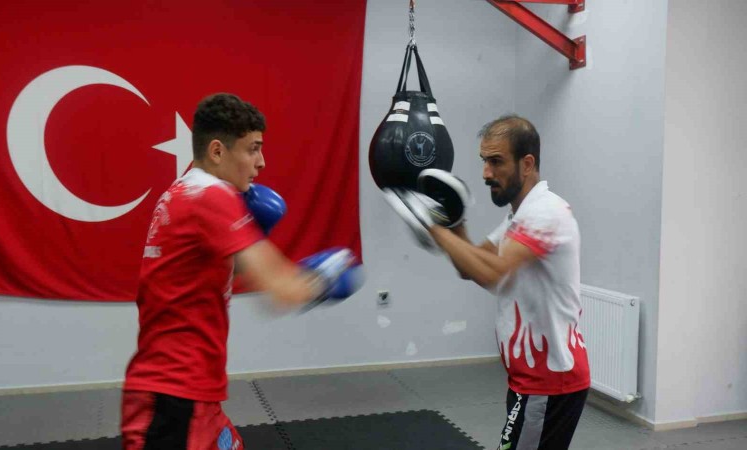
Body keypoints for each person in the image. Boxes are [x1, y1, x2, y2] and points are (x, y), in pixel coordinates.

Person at [120, 93, 362, 450]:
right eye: (252, 149)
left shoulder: (181, 190)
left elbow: (204, 276)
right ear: (217, 151)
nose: (261, 162)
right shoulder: (212, 197)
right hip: (175, 396)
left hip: (186, 390)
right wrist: (328, 274)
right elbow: (283, 292)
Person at [385, 115, 590, 450]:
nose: (485, 173)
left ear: (527, 164)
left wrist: (432, 228)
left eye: (496, 162)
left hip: (550, 381)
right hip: (529, 379)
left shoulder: (546, 212)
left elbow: (495, 273)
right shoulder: (518, 218)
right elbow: (471, 266)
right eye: (484, 161)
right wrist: (454, 223)